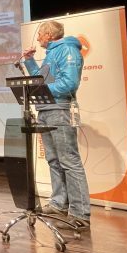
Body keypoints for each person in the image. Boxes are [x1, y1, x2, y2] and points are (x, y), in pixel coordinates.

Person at [22, 20, 91, 229]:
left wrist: (41, 90)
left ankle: (80, 214)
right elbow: (42, 80)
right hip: (45, 110)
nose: (38, 38)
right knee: (53, 160)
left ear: (49, 35)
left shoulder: (67, 49)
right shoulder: (51, 53)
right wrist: (29, 61)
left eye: (40, 34)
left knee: (69, 160)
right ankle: (60, 203)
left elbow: (69, 83)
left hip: (60, 110)